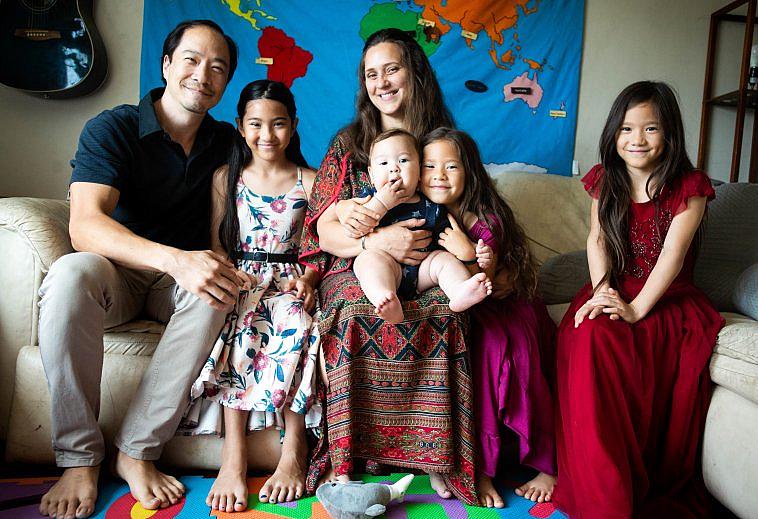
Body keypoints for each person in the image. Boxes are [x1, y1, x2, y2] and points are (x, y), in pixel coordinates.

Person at [37, 20, 241, 519]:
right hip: (118, 273)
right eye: (191, 60)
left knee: (218, 288)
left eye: (218, 67)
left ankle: (136, 450)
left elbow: (284, 185)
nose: (203, 74)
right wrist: (173, 257)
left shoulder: (229, 142)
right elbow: (85, 226)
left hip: (180, 283)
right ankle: (80, 458)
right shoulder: (115, 127)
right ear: (167, 65)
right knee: (69, 273)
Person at [299, 28, 478, 503]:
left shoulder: (441, 142)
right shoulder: (348, 144)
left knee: (447, 310)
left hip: (429, 266)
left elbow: (469, 210)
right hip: (359, 266)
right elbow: (322, 229)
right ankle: (349, 458)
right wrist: (377, 242)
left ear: (414, 73)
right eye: (371, 73)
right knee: (356, 311)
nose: (382, 82)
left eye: (392, 69)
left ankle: (436, 456)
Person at [554, 81, 724, 518]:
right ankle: (601, 497)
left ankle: (633, 484)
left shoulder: (691, 186)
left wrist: (636, 309)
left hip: (666, 300)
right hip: (614, 287)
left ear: (669, 135)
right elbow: (597, 240)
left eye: (651, 129)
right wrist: (603, 292)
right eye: (627, 129)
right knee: (587, 334)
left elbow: (673, 253)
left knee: (628, 344)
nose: (637, 140)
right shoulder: (604, 180)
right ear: (614, 133)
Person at [178, 79, 321, 512]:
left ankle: (294, 450)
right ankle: (233, 457)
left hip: (291, 280)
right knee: (237, 323)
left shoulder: (310, 180)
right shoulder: (228, 178)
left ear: (293, 126)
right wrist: (231, 277)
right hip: (243, 276)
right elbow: (219, 242)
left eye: (278, 124)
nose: (267, 135)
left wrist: (309, 280)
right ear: (240, 127)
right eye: (256, 124)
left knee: (299, 323)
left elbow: (320, 248)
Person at [419, 128, 557, 508]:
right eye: (429, 166)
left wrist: (467, 252)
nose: (439, 175)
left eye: (451, 166)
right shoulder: (420, 212)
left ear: (470, 172)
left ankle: (511, 465)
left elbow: (490, 280)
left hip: (504, 307)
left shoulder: (486, 218)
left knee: (498, 352)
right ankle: (459, 459)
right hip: (462, 313)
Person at [353, 128, 492, 323]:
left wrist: (477, 252)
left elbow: (450, 239)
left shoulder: (432, 204)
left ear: (419, 170)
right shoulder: (368, 199)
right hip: (388, 266)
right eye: (384, 163)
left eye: (403, 161)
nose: (394, 169)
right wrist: (382, 203)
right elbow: (357, 230)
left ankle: (458, 291)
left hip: (423, 272)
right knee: (367, 260)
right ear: (371, 174)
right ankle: (384, 298)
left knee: (443, 260)